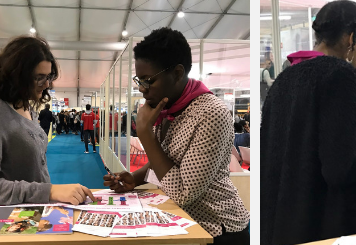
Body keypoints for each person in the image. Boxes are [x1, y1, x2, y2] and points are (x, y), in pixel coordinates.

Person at [102, 27, 249, 245]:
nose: (142, 89)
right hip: (183, 224)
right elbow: (165, 163)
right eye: (139, 80)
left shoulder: (210, 113)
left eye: (148, 80)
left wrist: (145, 134)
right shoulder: (165, 109)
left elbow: (182, 192)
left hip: (218, 230)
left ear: (178, 73)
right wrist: (136, 178)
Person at [260, 1, 356, 244]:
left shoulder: (284, 79)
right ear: (352, 39)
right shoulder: (340, 74)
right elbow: (338, 169)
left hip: (282, 221)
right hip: (324, 222)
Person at [0, 36, 97, 206]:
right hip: (8, 221)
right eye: (39, 77)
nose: (47, 84)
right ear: (16, 75)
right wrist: (49, 191)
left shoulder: (27, 107)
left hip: (33, 212)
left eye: (49, 77)